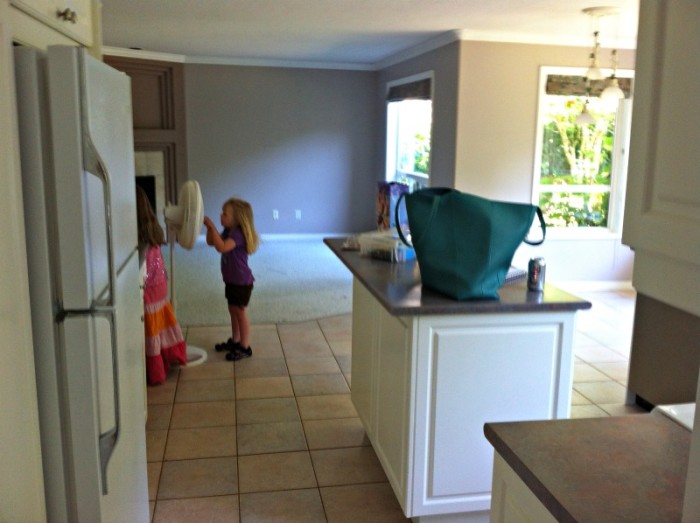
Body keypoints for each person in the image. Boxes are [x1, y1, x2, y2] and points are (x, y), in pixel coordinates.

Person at [136, 186, 187, 384]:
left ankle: (155, 370)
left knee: (150, 328)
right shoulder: (152, 231)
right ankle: (169, 355)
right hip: (160, 288)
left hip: (148, 290)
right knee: (159, 325)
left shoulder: (136, 239)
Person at [203, 197, 260, 361]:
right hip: (231, 280)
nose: (221, 216)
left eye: (224, 214)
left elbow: (221, 247)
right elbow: (210, 242)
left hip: (242, 282)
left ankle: (245, 346)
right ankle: (235, 340)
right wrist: (210, 229)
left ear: (236, 218)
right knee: (232, 311)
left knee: (240, 313)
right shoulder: (228, 231)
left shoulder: (238, 234)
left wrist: (212, 226)